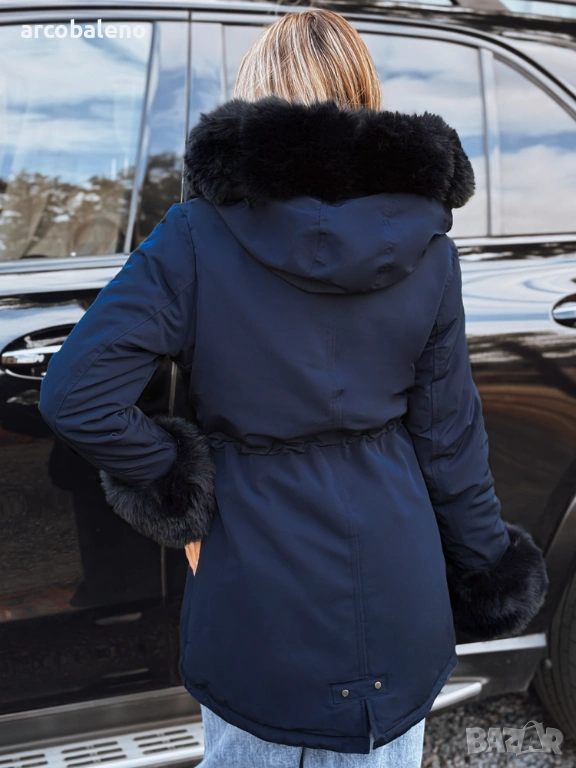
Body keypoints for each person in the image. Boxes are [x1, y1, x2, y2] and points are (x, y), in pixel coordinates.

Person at [38, 9, 549, 767]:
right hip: (399, 603)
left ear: (255, 97)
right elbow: (451, 444)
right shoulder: (429, 247)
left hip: (259, 601)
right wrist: (485, 569)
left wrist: (179, 487)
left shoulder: (196, 236)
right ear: (366, 95)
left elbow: (76, 393)